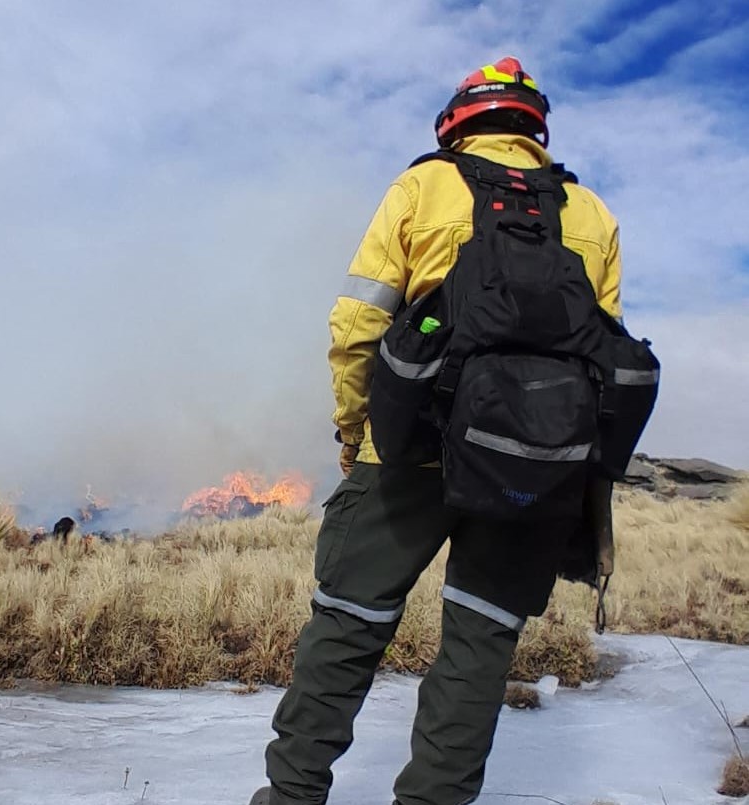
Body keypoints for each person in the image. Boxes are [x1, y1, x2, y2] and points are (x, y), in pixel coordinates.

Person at [250, 57, 625, 805]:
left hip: (409, 450)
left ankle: (290, 796)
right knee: (481, 643)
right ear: (533, 128)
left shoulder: (423, 185)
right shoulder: (592, 213)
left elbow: (356, 320)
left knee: (348, 625)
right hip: (533, 468)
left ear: (457, 122)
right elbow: (603, 354)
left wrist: (356, 429)